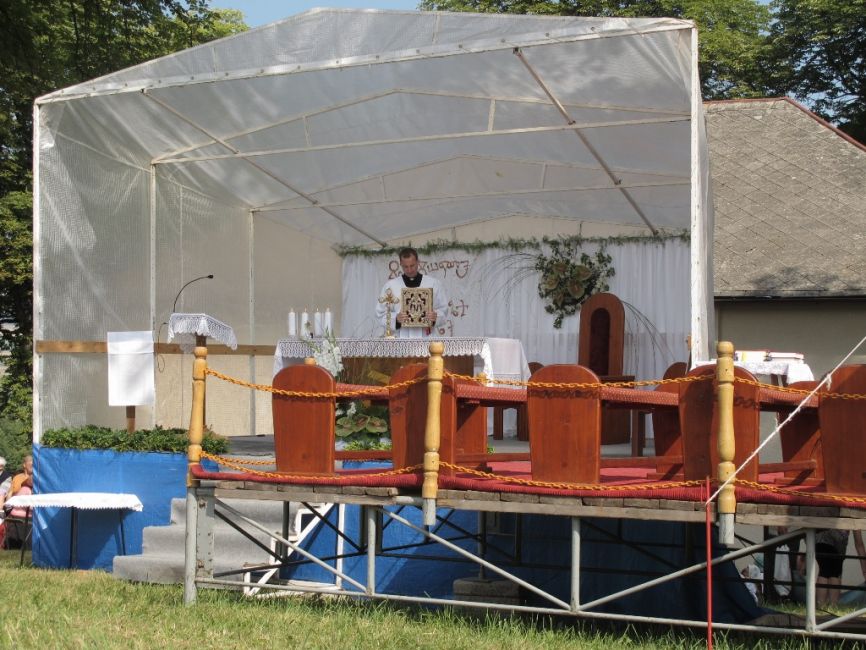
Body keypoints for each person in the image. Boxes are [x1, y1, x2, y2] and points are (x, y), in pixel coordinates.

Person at [375, 248, 449, 338]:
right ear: (400, 264)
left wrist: (435, 316)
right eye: (405, 267)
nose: (409, 270)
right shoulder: (390, 287)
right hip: (401, 339)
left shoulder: (433, 284)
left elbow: (443, 310)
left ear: (418, 262)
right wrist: (396, 319)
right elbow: (380, 314)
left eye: (412, 265)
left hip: (426, 339)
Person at [815, 528, 849, 605]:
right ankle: (833, 605)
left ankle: (821, 604)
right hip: (836, 538)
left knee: (824, 571)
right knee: (834, 573)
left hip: (817, 536)